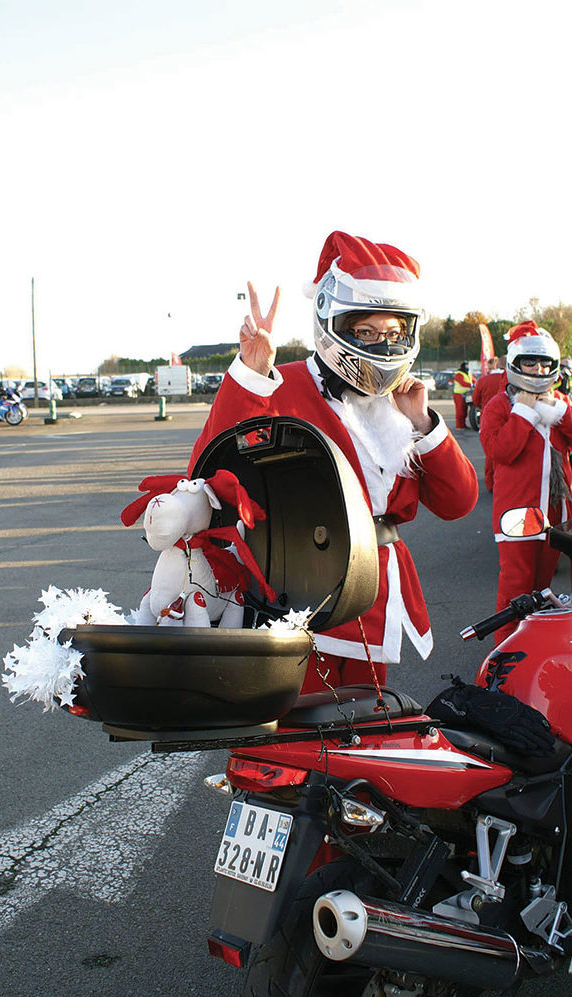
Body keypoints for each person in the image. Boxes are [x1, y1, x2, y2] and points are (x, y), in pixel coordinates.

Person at [189, 230, 478, 694]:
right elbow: (208, 472)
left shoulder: (402, 402)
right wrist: (250, 372)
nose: (381, 343)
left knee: (362, 742)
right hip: (299, 590)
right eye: (365, 331)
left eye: (393, 331)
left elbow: (459, 502)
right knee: (293, 743)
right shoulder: (283, 384)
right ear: (333, 323)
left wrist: (424, 424)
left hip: (375, 598)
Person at [479, 321, 572, 646]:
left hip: (556, 511)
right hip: (516, 515)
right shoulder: (500, 406)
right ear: (516, 364)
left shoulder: (558, 401)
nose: (538, 369)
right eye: (530, 362)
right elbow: (500, 451)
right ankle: (505, 654)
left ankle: (536, 645)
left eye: (544, 363)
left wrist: (559, 412)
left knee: (544, 586)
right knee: (515, 588)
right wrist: (523, 412)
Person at [472, 356, 508, 490]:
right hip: (510, 418)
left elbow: (475, 400)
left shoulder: (483, 380)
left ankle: (490, 483)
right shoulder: (514, 380)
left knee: (490, 453)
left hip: (487, 419)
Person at [452, 361, 475, 430]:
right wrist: (471, 385)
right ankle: (459, 426)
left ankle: (463, 425)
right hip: (459, 395)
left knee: (464, 411)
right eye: (466, 366)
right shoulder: (458, 374)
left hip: (466, 394)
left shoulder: (468, 373)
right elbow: (462, 383)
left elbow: (473, 380)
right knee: (460, 411)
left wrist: (477, 383)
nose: (468, 367)